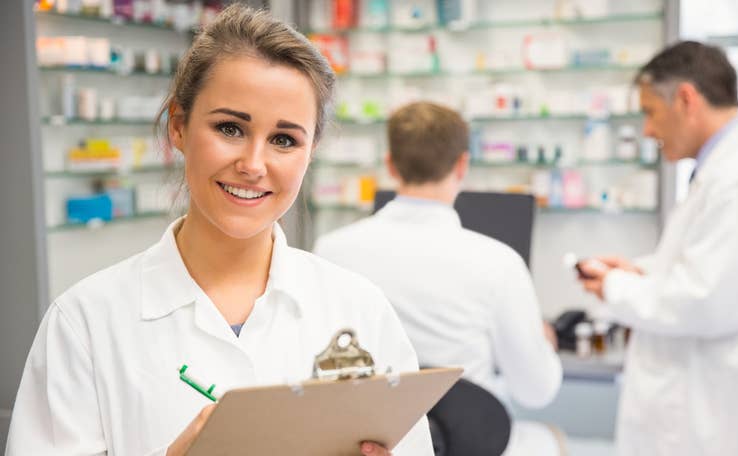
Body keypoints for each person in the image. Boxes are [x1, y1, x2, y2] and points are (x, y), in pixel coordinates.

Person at [5, 5, 432, 456]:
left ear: (312, 151)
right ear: (179, 127)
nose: (252, 165)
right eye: (230, 128)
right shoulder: (86, 323)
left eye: (284, 140)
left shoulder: (359, 308)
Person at [577, 41, 738, 456]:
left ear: (686, 99)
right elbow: (707, 267)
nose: (648, 130)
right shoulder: (729, 171)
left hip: (721, 427)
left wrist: (616, 287)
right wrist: (638, 273)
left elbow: (709, 301)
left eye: (650, 112)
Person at [314, 102, 564, 455]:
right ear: (462, 165)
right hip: (470, 444)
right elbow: (536, 391)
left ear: (390, 165)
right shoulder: (498, 263)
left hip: (367, 444)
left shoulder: (332, 250)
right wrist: (545, 342)